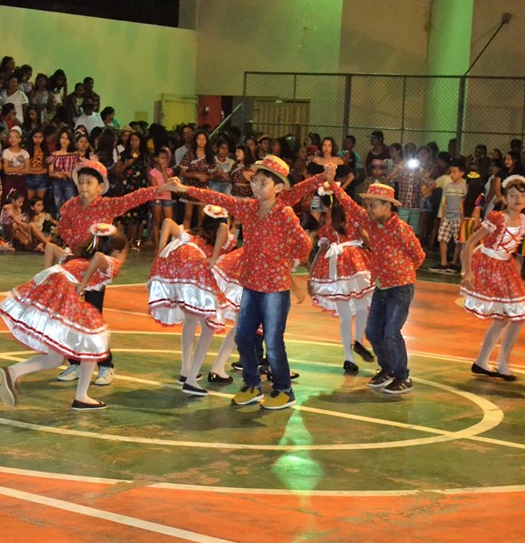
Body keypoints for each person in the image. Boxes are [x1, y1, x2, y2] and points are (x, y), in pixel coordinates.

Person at [168, 155, 329, 409]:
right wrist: (186, 188)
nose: (255, 185)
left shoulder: (285, 214)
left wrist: (279, 254)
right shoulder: (248, 209)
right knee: (243, 337)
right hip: (251, 285)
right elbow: (219, 198)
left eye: (262, 182)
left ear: (277, 188)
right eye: (254, 180)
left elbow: (304, 245)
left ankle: (284, 390)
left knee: (273, 341)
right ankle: (252, 385)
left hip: (275, 289)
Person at [0, 225, 129, 411]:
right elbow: (99, 258)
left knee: (56, 358)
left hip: (53, 286)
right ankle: (81, 396)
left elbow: (50, 248)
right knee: (93, 337)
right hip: (63, 289)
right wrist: (81, 285)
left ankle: (13, 372)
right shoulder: (112, 262)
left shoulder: (78, 258)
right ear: (117, 250)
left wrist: (51, 280)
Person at [55, 162, 163, 386]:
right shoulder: (70, 206)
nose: (84, 187)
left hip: (96, 269)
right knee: (69, 316)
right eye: (81, 182)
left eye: (89, 183)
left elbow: (133, 198)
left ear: (100, 186)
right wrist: (74, 242)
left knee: (93, 317)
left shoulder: (107, 206)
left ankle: (105, 365)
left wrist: (158, 190)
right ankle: (74, 361)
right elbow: (62, 227)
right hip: (75, 265)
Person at [324, 178, 426, 395]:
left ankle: (402, 376)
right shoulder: (370, 222)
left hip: (400, 287)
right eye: (368, 205)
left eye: (373, 205)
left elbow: (419, 255)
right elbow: (350, 205)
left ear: (387, 205)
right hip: (381, 285)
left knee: (391, 331)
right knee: (372, 331)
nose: (368, 209)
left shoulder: (402, 229)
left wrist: (403, 271)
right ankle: (387, 369)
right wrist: (333, 185)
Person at [461, 176, 525, 382]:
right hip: (488, 264)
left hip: (506, 267)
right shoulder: (497, 217)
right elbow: (470, 243)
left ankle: (484, 361)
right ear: (505, 199)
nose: (517, 199)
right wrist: (467, 271)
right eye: (512, 195)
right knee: (514, 317)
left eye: (522, 195)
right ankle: (501, 363)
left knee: (507, 318)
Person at [295, 171, 375, 374]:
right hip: (356, 264)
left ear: (325, 204)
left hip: (334, 268)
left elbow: (321, 249)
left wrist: (312, 277)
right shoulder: (351, 219)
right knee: (360, 306)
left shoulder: (326, 226)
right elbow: (366, 238)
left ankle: (349, 358)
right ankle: (358, 341)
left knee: (346, 315)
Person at [148, 208, 230, 395]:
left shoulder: (190, 234)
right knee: (209, 327)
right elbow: (224, 228)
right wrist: (214, 258)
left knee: (191, 320)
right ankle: (192, 380)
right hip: (196, 272)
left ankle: (186, 370)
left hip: (175, 270)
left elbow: (168, 221)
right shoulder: (222, 235)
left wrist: (160, 251)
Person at [431, 157, 468, 273]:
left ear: (461, 173)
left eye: (454, 172)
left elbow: (464, 202)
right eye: (451, 172)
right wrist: (443, 217)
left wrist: (462, 217)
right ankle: (444, 262)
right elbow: (445, 202)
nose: (452, 175)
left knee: (458, 241)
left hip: (458, 217)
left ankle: (454, 262)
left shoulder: (465, 186)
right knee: (442, 238)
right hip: (447, 216)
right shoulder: (448, 186)